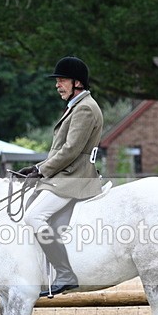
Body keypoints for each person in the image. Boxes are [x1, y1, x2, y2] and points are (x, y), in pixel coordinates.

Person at [18, 56, 104, 297]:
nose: (58, 85)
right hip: (66, 174)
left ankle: (65, 273)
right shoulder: (77, 106)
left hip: (74, 178)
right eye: (58, 81)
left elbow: (71, 149)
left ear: (77, 83)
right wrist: (38, 166)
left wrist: (42, 170)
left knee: (34, 217)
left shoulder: (85, 108)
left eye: (62, 80)